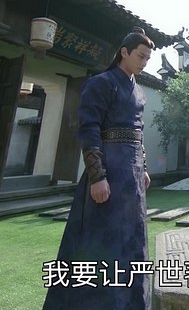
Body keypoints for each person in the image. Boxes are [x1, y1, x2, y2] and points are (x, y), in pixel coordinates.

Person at [43, 27, 154, 310]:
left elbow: (138, 133)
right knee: (99, 244)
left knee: (132, 242)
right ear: (124, 52)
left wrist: (142, 167)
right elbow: (89, 129)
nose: (144, 62)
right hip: (108, 174)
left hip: (131, 180)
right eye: (140, 56)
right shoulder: (101, 83)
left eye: (147, 58)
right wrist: (97, 176)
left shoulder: (138, 91)